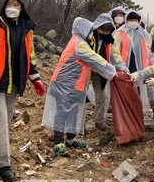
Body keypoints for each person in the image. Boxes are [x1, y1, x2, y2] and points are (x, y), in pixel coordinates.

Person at [0, 0, 45, 182]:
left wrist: (36, 79)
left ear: (22, 8)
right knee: (1, 120)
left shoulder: (28, 30)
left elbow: (30, 57)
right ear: (4, 6)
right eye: (9, 3)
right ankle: (4, 164)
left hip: (14, 82)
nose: (12, 7)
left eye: (16, 4)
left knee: (6, 120)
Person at [43, 17, 129, 154]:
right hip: (64, 83)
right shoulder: (79, 44)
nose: (92, 33)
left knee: (74, 111)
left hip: (76, 84)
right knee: (62, 111)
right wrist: (113, 71)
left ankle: (71, 138)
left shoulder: (81, 42)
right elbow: (96, 60)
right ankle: (58, 141)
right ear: (83, 30)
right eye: (90, 30)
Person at [88, 13, 130, 130]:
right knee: (80, 97)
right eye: (102, 29)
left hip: (100, 73)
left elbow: (116, 57)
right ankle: (78, 124)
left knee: (101, 96)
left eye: (107, 31)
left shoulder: (110, 42)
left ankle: (99, 120)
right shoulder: (89, 37)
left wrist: (124, 69)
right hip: (86, 71)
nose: (104, 33)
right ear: (97, 27)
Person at [117, 10, 154, 119]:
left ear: (139, 21)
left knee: (143, 89)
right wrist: (119, 65)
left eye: (135, 20)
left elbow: (150, 50)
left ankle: (141, 111)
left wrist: (151, 64)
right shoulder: (120, 33)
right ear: (126, 21)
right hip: (126, 65)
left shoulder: (144, 34)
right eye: (131, 20)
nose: (133, 22)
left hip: (142, 67)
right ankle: (127, 112)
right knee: (127, 88)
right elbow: (116, 50)